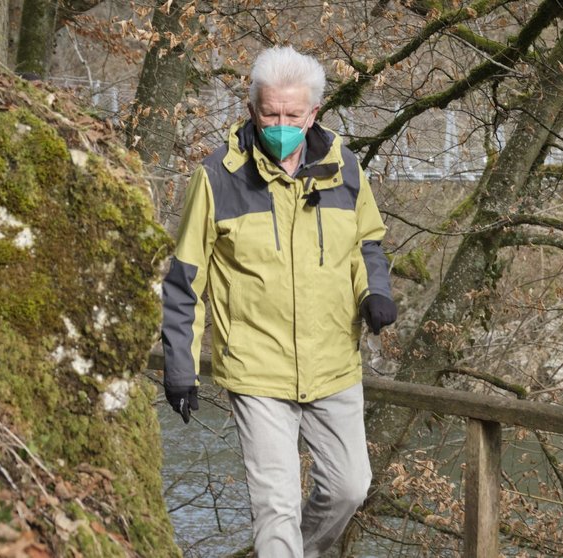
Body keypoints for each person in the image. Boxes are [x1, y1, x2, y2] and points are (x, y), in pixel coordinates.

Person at [160, 45, 397, 557]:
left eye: (293, 114)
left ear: (314, 113)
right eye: (270, 113)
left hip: (334, 363)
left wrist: (374, 291)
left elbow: (366, 244)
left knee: (350, 486)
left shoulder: (346, 170)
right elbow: (185, 281)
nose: (280, 124)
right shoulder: (217, 178)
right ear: (252, 109)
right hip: (257, 369)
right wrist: (181, 366)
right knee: (276, 506)